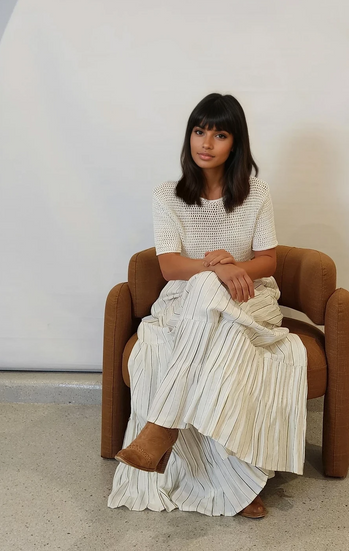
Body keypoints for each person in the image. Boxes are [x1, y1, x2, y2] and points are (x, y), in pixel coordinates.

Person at [107, 92, 308, 518]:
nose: (206, 142)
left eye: (219, 134)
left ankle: (161, 432)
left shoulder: (256, 193)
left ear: (235, 144)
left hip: (249, 299)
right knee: (209, 308)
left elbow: (269, 261)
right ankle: (237, 485)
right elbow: (168, 266)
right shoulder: (168, 194)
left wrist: (236, 270)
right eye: (199, 131)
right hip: (186, 300)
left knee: (227, 335)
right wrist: (215, 268)